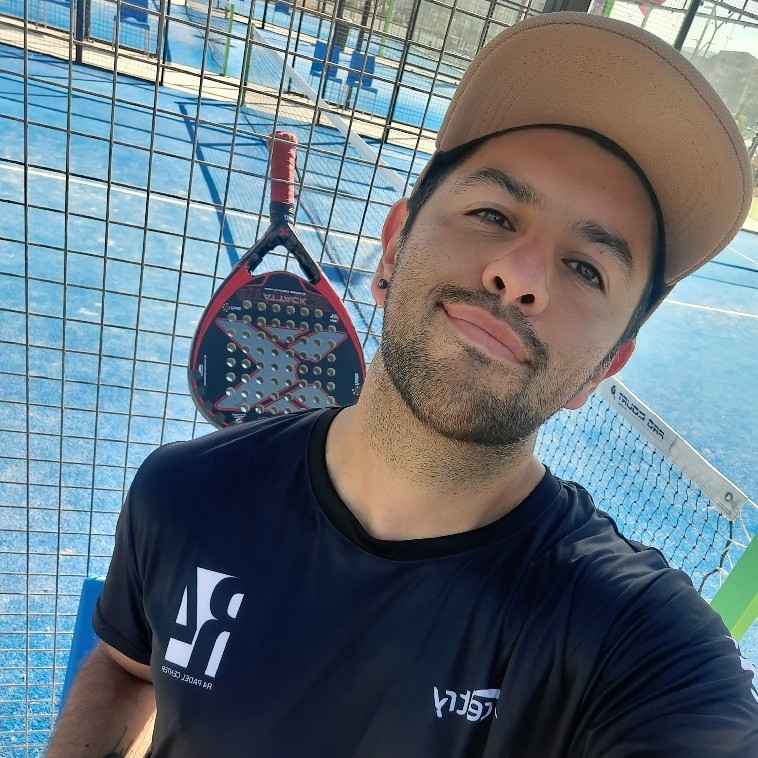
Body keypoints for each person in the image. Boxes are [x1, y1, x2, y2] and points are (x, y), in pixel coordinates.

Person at [46, 12, 758, 758]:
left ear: (605, 366)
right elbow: (128, 668)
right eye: (493, 213)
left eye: (587, 267)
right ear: (391, 251)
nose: (520, 275)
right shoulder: (185, 494)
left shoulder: (637, 644)